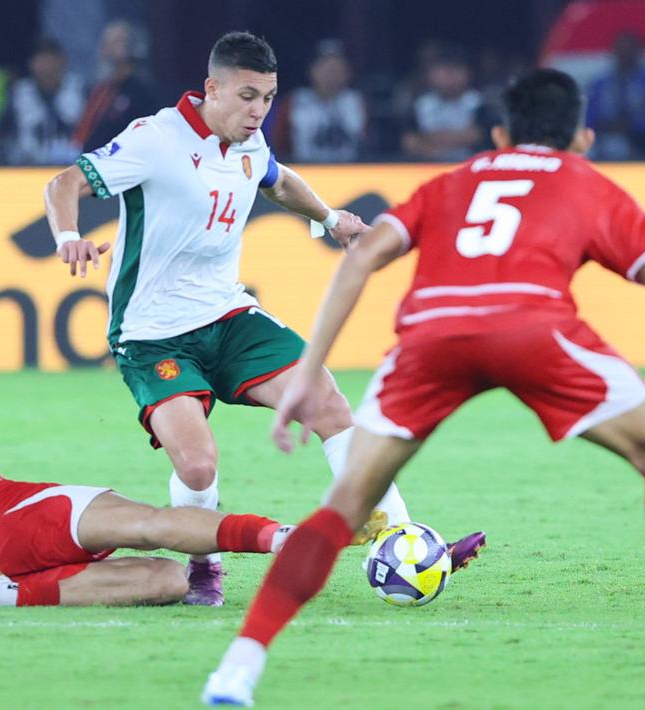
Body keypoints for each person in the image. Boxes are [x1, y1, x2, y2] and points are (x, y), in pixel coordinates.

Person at [202, 69, 645, 705]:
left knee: (346, 505)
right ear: (583, 138)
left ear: (497, 134)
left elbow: (361, 257)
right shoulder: (588, 182)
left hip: (432, 335)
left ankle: (237, 670)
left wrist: (310, 369)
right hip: (533, 328)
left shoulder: (452, 182)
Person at [43, 31, 484, 607]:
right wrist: (69, 236)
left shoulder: (248, 142)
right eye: (248, 96)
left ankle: (401, 537)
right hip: (152, 335)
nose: (259, 111)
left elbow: (276, 178)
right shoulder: (156, 138)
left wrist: (332, 219)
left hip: (228, 316)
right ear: (212, 88)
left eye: (269, 98)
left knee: (328, 402)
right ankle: (204, 566)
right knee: (198, 466)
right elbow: (65, 183)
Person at [0, 307, 314, 608]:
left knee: (167, 579)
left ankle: (3, 595)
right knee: (146, 522)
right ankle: (287, 538)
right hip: (2, 515)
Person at [71, 20, 161, 153]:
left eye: (118, 41)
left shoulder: (142, 93)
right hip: (87, 162)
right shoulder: (99, 91)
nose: (108, 48)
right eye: (107, 42)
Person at [272, 40, 366, 163]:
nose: (331, 74)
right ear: (312, 70)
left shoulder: (356, 102)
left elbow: (369, 143)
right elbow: (279, 144)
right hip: (305, 171)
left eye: (337, 67)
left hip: (350, 172)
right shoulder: (294, 102)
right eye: (325, 67)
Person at [0, 38, 86, 165]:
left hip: (72, 167)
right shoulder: (19, 93)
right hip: (26, 167)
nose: (46, 66)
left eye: (51, 59)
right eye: (41, 60)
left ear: (62, 61)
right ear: (31, 64)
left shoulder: (80, 90)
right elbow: (1, 133)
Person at [585, 32, 645, 160]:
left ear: (638, 52)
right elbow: (589, 120)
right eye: (621, 50)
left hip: (644, 149)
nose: (625, 55)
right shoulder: (600, 84)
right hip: (604, 148)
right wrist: (608, 126)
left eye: (629, 50)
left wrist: (632, 127)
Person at [401, 46, 486, 161]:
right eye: (443, 70)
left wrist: (429, 139)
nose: (449, 76)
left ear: (468, 73)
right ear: (430, 74)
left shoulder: (478, 103)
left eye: (456, 69)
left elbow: (478, 136)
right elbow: (409, 142)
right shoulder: (421, 105)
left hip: (469, 167)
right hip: (427, 167)